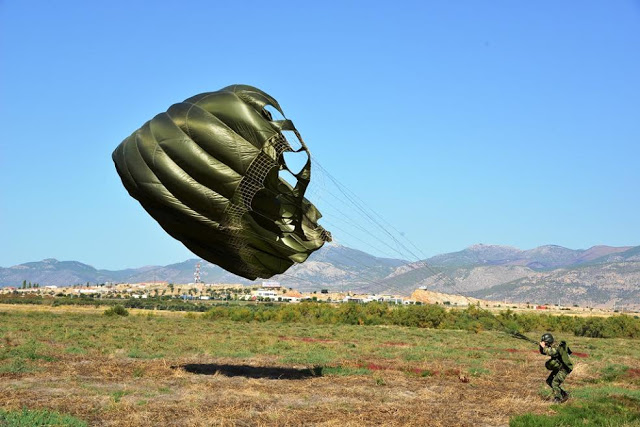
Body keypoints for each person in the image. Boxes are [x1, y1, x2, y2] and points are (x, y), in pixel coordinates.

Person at [539, 333, 573, 403]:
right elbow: (544, 352)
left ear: (548, 341)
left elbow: (552, 352)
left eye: (545, 342)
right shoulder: (552, 345)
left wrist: (544, 347)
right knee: (549, 381)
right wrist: (541, 347)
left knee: (555, 383)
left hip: (564, 368)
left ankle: (558, 398)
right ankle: (564, 394)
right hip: (559, 367)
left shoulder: (557, 346)